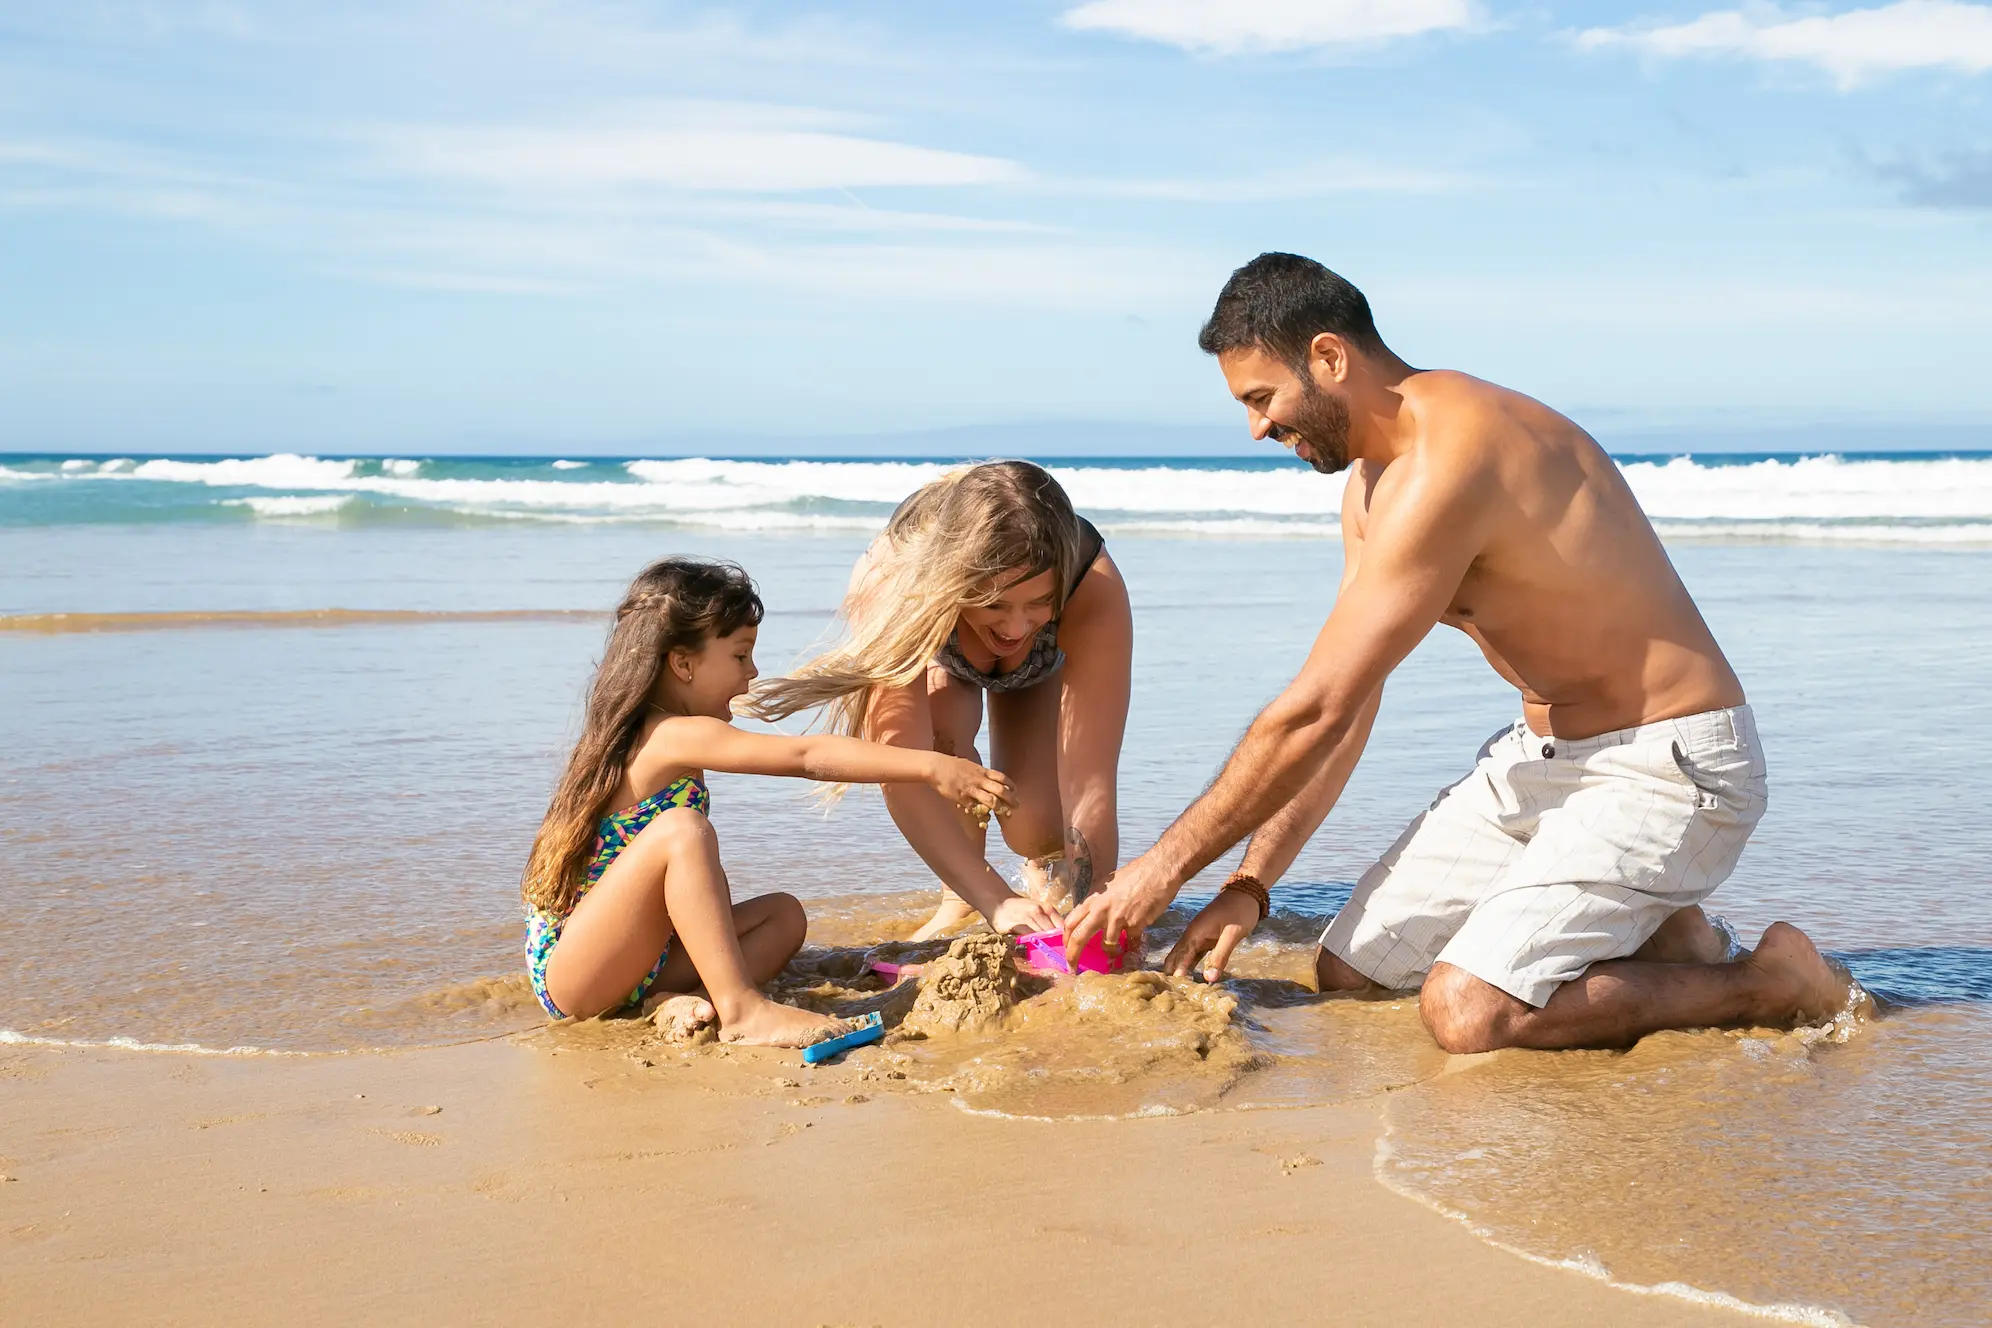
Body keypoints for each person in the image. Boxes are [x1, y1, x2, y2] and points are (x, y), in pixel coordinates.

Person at [1065, 252, 1849, 1052]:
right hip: (1547, 761)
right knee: (1352, 971)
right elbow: (1347, 704)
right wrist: (1247, 885)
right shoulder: (1371, 489)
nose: (1257, 428)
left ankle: (1773, 981)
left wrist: (1159, 872)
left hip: (1670, 767)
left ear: (1329, 358)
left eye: (1262, 398)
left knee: (1467, 1012)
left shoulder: (1457, 454)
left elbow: (1312, 710)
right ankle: (1666, 937)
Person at [521, 556, 1018, 1047]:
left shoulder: (668, 733)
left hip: (639, 961)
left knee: (783, 916)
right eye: (740, 656)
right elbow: (805, 755)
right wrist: (930, 766)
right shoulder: (670, 735)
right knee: (682, 830)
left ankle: (676, 998)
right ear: (683, 663)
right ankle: (741, 1011)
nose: (753, 672)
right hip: (577, 972)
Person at [752, 461, 1131, 940]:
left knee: (1034, 826)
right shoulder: (894, 583)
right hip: (938, 647)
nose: (1015, 628)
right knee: (943, 748)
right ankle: (961, 902)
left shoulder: (1090, 582)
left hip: (1039, 668)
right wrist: (994, 899)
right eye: (993, 603)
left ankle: (1045, 877)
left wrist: (1090, 913)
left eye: (1038, 602)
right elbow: (902, 772)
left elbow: (1092, 781)